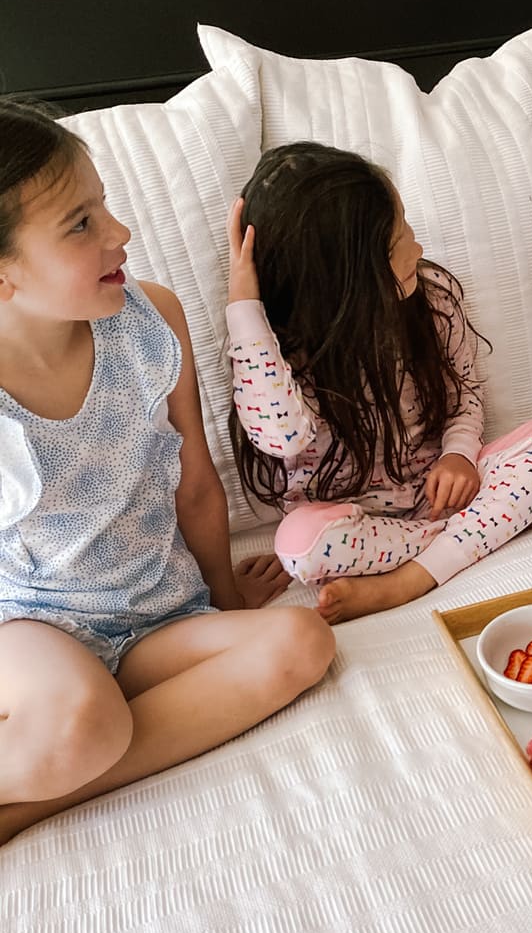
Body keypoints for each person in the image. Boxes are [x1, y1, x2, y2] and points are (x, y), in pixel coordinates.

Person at [0, 101, 335, 847]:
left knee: (299, 643)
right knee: (80, 717)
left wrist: (223, 603)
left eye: (104, 205)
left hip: (159, 617)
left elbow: (194, 483)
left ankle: (35, 801)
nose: (119, 232)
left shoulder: (150, 319)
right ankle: (76, 730)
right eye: (79, 224)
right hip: (33, 628)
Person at [227, 142, 532, 624]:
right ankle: (484, 531)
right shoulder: (276, 354)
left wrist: (458, 454)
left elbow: (464, 397)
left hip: (445, 495)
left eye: (407, 226)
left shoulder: (431, 303)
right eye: (398, 244)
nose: (416, 247)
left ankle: (409, 581)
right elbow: (280, 435)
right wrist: (244, 310)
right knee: (298, 546)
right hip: (357, 528)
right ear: (345, 282)